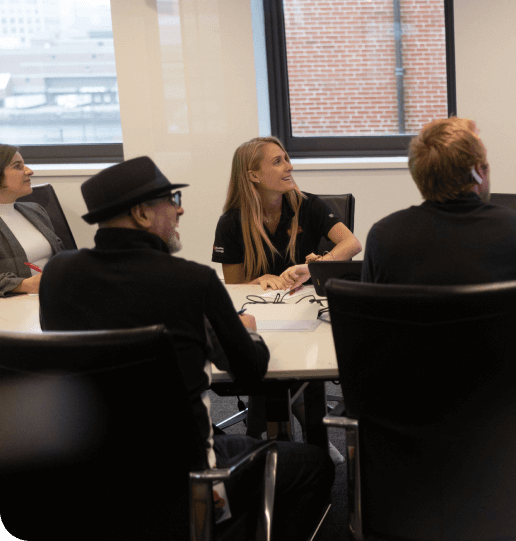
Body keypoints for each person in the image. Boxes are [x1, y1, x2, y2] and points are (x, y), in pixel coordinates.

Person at [38, 156, 333, 540]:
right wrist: (248, 331)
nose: (180, 210)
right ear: (142, 214)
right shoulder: (191, 281)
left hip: (86, 475)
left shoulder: (57, 274)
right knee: (316, 464)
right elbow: (249, 372)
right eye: (172, 200)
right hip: (186, 480)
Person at [362, 117, 516, 541]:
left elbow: (376, 337)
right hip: (496, 414)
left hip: (406, 414)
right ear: (479, 172)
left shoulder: (383, 237)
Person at [214, 136, 361, 291]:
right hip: (260, 301)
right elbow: (233, 289)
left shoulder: (309, 205)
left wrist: (313, 268)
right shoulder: (230, 223)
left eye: (286, 159)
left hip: (306, 296)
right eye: (277, 162)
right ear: (254, 176)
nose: (289, 167)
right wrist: (258, 281)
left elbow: (352, 243)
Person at [0, 144, 65, 296]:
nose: (29, 171)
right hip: (17, 306)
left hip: (55, 295)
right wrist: (23, 285)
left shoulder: (35, 210)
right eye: (17, 166)